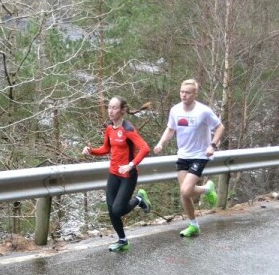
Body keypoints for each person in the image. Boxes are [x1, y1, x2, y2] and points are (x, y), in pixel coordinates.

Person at [153, 79, 225, 237]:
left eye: (187, 92)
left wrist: (212, 145)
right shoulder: (175, 110)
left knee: (185, 191)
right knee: (186, 193)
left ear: (195, 94)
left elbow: (219, 127)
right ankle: (195, 222)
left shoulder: (203, 111)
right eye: (182, 92)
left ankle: (196, 218)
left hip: (200, 155)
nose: (183, 95)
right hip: (183, 155)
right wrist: (161, 143)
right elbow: (170, 129)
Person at [83, 96, 152, 252]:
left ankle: (139, 199)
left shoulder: (128, 129)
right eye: (109, 107)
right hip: (114, 174)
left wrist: (131, 165)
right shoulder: (109, 128)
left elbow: (145, 148)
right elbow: (106, 148)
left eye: (114, 108)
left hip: (128, 176)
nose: (110, 110)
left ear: (122, 111)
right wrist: (91, 151)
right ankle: (122, 240)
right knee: (111, 209)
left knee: (118, 210)